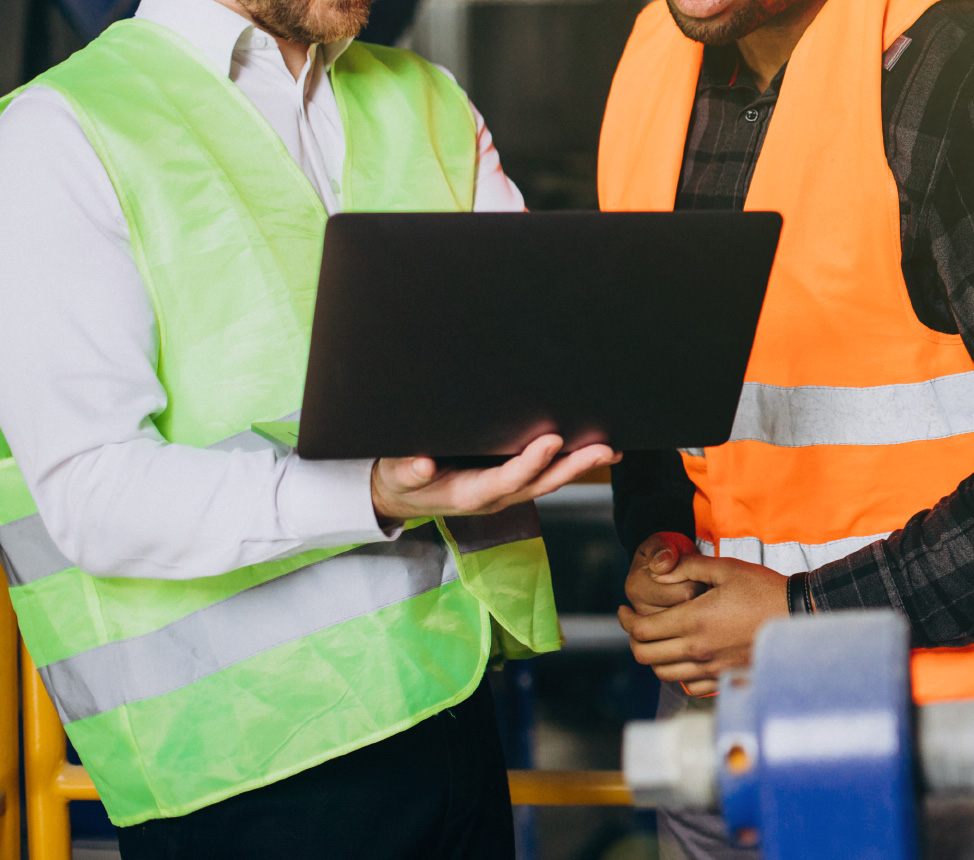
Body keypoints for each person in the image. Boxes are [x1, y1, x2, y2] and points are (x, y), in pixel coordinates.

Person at [0, 0, 617, 856]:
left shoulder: (424, 97)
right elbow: (91, 491)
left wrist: (598, 385)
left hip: (454, 706)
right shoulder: (59, 134)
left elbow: (522, 345)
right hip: (240, 764)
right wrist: (366, 490)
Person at [600, 0, 974, 853]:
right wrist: (658, 551)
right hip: (718, 718)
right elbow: (663, 372)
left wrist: (804, 616)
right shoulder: (659, 55)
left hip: (954, 736)